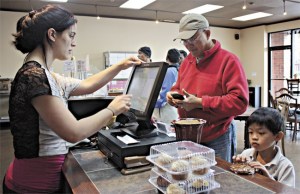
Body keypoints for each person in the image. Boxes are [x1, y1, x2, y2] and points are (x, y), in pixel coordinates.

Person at [3, 4, 141, 193]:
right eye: (71, 35)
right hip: (33, 185)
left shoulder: (44, 74)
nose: (73, 43)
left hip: (37, 179)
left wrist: (120, 66)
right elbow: (73, 132)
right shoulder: (34, 77)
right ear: (52, 34)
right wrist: (112, 109)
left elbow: (88, 85)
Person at [167, 13, 248, 162]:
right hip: (189, 135)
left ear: (208, 33)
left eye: (193, 39)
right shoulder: (187, 62)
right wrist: (173, 95)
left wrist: (200, 103)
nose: (188, 44)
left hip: (217, 136)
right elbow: (179, 88)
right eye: (184, 41)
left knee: (217, 179)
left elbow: (239, 103)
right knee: (191, 178)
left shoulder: (228, 61)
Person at [233, 107, 295, 188]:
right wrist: (237, 168)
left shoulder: (285, 166)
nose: (254, 137)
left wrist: (267, 178)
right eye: (250, 132)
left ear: (278, 136)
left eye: (261, 133)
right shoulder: (246, 154)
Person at [153, 48, 180, 124]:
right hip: (173, 106)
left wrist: (156, 104)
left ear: (167, 58)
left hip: (166, 107)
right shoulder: (176, 70)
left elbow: (166, 90)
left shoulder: (168, 71)